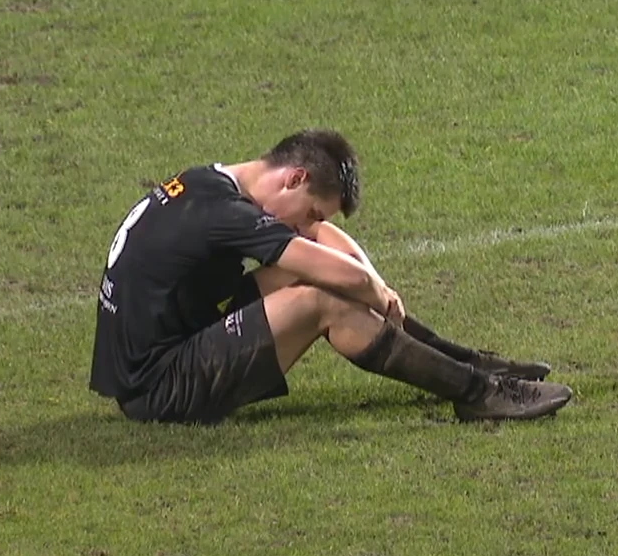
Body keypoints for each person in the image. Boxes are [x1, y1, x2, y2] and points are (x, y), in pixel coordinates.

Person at [88, 129, 571, 424]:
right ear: (294, 178)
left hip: (176, 340)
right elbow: (328, 266)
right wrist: (373, 289)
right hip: (159, 389)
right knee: (325, 299)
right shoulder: (225, 214)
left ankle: (476, 366)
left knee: (324, 278)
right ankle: (478, 394)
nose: (306, 223)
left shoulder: (209, 182)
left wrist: (375, 282)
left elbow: (318, 235)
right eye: (311, 208)